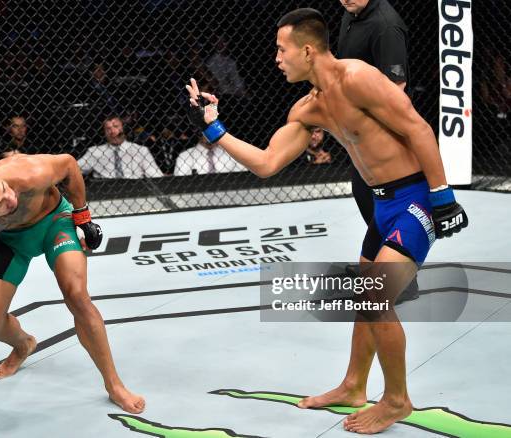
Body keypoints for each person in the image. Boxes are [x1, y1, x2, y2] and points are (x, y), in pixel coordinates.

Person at [186, 8, 467, 434]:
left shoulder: (359, 78)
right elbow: (267, 163)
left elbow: (418, 128)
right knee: (366, 291)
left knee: (375, 298)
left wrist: (442, 197)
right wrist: (214, 129)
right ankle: (354, 385)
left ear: (307, 49)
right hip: (381, 204)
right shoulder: (308, 108)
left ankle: (396, 399)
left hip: (415, 198)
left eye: (282, 50)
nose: (276, 58)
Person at [0, 154, 145, 414]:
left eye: (3, 189)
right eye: (0, 205)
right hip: (9, 241)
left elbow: (69, 164)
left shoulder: (25, 173)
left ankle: (114, 385)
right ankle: (23, 344)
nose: (10, 198)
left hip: (55, 223)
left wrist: (82, 216)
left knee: (77, 296)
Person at [337, 0, 418, 303]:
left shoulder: (386, 26)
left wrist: (370, 128)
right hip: (359, 125)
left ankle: (402, 277)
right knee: (364, 194)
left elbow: (396, 86)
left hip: (382, 128)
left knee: (380, 197)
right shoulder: (352, 14)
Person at [77, 115, 163, 179]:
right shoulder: (95, 152)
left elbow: (155, 175)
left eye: (116, 126)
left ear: (124, 128)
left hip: (136, 190)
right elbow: (74, 169)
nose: (112, 131)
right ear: (104, 133)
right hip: (105, 193)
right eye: (108, 129)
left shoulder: (140, 150)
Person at [174, 135, 246, 176]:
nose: (209, 133)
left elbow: (244, 174)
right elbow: (180, 181)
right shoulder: (185, 156)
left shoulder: (230, 153)